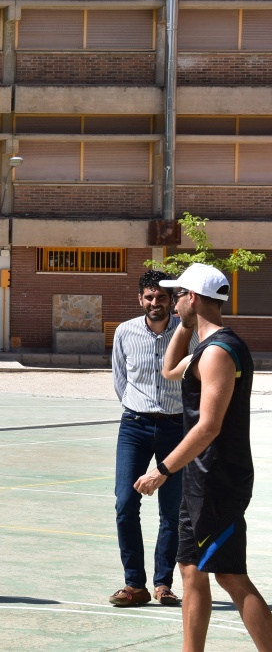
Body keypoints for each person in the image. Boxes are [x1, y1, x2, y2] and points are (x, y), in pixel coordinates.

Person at [135, 263, 272, 650]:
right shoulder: (206, 348)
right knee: (190, 569)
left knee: (229, 574)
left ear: (192, 297)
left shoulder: (218, 353)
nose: (172, 301)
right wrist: (185, 324)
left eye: (177, 295)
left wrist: (162, 470)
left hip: (218, 478)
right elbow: (168, 370)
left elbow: (208, 426)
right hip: (200, 477)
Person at [109, 270, 186, 607]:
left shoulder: (187, 332)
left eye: (161, 297)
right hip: (135, 426)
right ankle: (134, 584)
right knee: (125, 504)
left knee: (172, 510)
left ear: (171, 300)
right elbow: (120, 379)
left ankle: (163, 583)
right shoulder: (125, 332)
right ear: (140, 299)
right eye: (149, 297)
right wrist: (136, 406)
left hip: (176, 428)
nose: (155, 303)